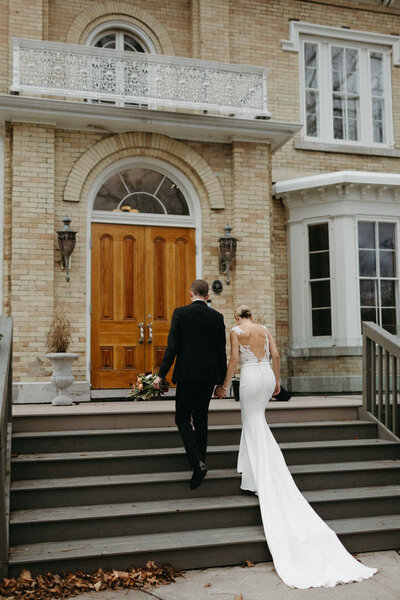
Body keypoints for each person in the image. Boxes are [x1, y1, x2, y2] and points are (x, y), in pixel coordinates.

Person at [215, 305, 377, 589]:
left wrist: (225, 386)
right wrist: (278, 382)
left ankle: (261, 473)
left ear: (238, 318)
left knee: (252, 422)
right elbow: (276, 356)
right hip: (266, 377)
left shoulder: (235, 331)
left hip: (251, 378)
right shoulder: (264, 330)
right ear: (251, 315)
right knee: (257, 421)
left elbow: (232, 360)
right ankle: (251, 472)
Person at [154, 280, 226, 490]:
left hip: (186, 376)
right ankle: (200, 463)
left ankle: (197, 462)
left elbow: (172, 347)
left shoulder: (181, 313)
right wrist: (221, 383)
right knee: (201, 419)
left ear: (190, 294)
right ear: (207, 295)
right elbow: (220, 351)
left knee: (182, 418)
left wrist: (160, 375)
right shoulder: (217, 317)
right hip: (207, 378)